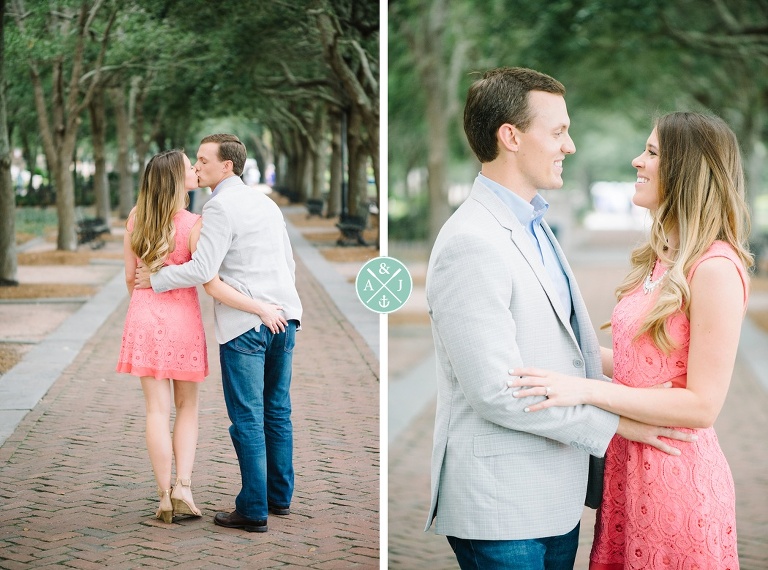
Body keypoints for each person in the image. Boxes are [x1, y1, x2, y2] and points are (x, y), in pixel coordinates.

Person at [424, 67, 694, 569]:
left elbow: (566, 350)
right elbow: (495, 391)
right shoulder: (471, 241)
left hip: (555, 502)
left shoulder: (532, 223)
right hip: (501, 510)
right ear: (510, 136)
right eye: (557, 131)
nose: (569, 145)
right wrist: (618, 424)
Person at [508, 111, 751, 569]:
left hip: (676, 477)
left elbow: (703, 405)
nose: (638, 161)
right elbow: (645, 367)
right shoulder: (666, 258)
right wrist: (556, 357)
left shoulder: (715, 268)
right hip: (627, 474)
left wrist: (585, 390)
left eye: (653, 152)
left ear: (688, 170)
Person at [135, 134, 303, 533]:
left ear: (226, 166)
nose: (196, 166)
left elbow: (202, 270)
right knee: (278, 412)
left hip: (247, 325)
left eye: (203, 160)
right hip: (285, 316)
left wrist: (156, 279)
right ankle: (279, 498)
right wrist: (282, 306)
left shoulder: (220, 207)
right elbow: (288, 261)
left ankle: (254, 508)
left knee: (247, 417)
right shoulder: (266, 202)